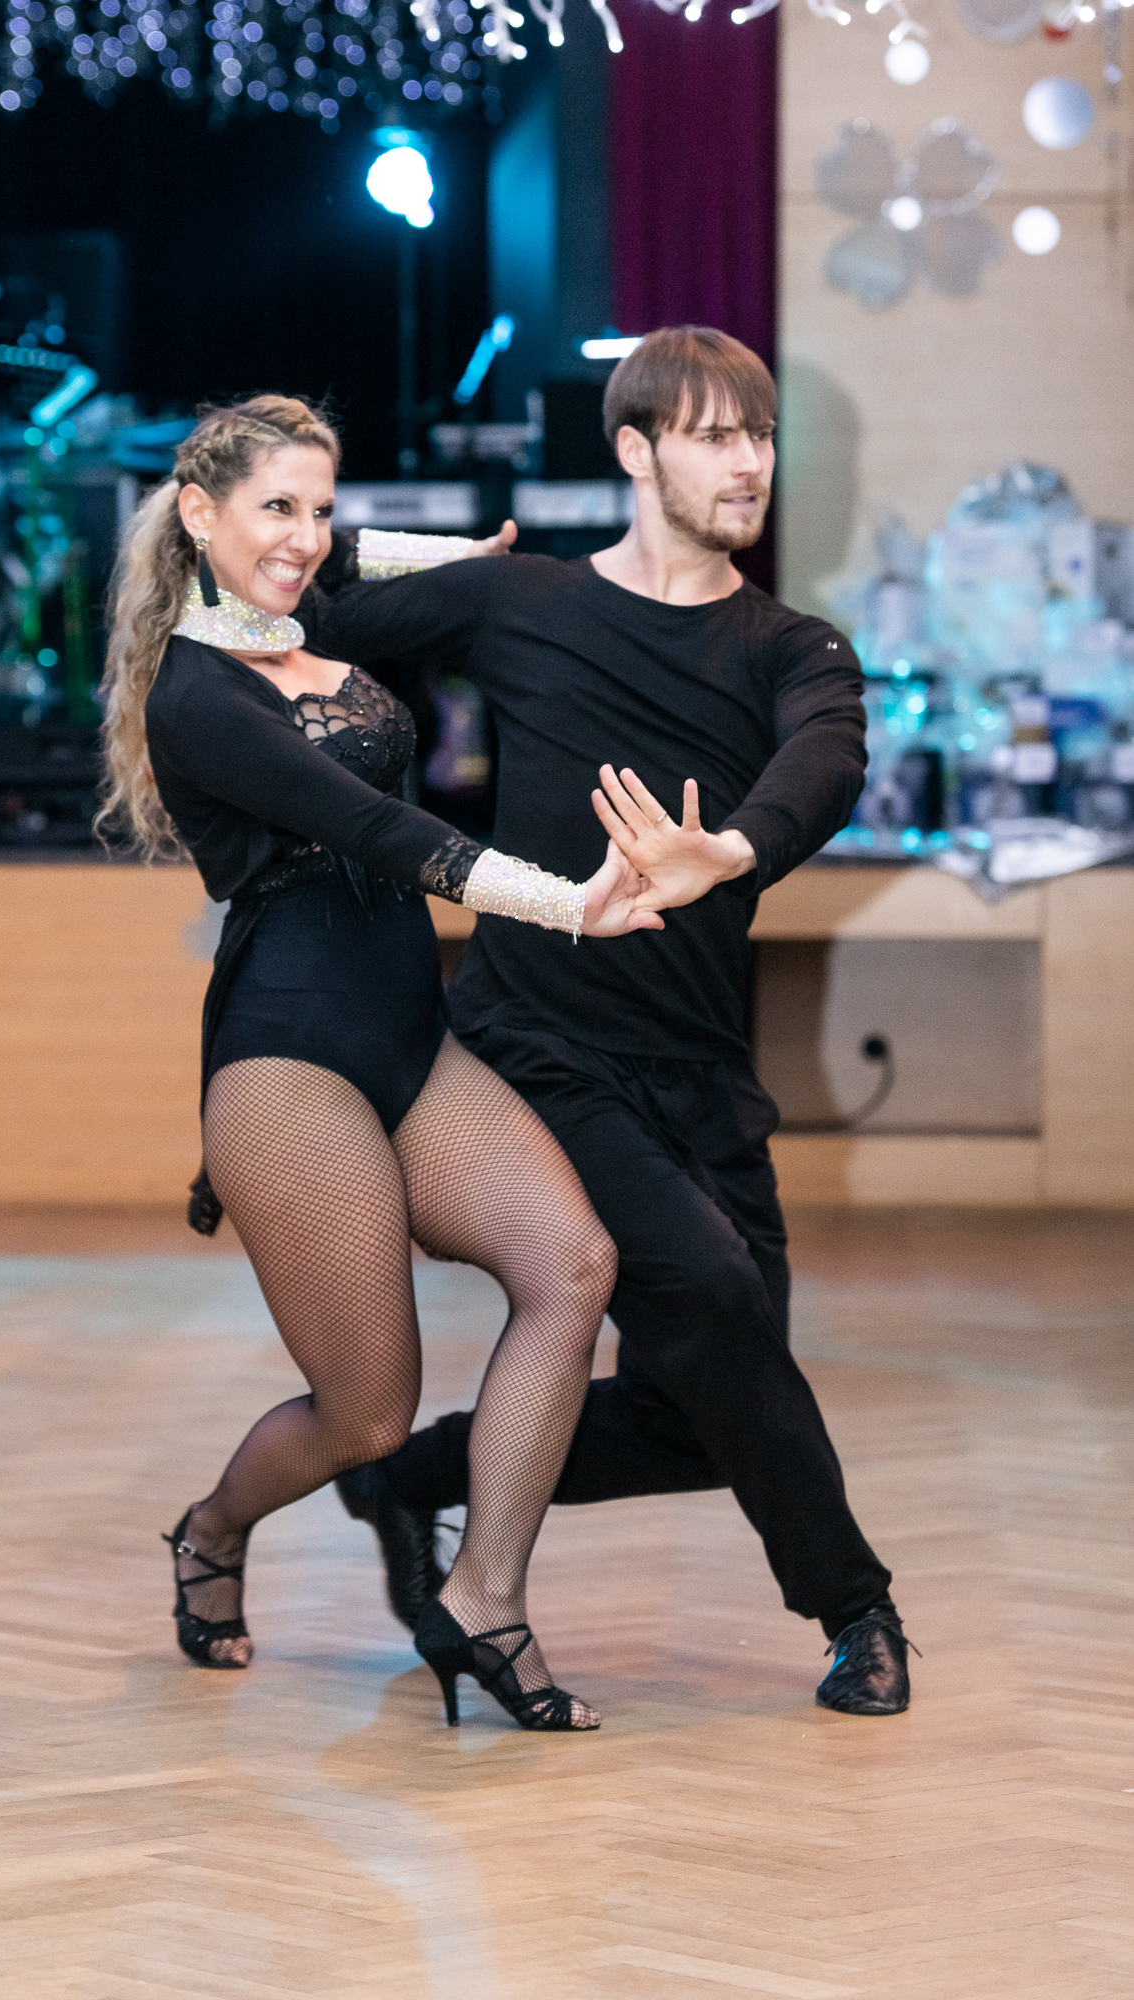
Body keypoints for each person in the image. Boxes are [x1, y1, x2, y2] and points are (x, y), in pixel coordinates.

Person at [317, 327, 915, 1718]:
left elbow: (828, 757)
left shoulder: (794, 646)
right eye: (715, 435)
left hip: (701, 1072)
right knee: (711, 1296)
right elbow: (297, 596)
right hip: (540, 1050)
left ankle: (409, 1477)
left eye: (760, 436)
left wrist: (733, 850)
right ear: (635, 451)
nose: (749, 463)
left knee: (700, 1411)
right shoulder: (520, 600)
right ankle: (859, 1610)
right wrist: (424, 552)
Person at [96, 394, 705, 1733]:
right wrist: (570, 903)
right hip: (288, 1058)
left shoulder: (300, 604)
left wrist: (469, 554)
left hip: (408, 1038)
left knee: (572, 1266)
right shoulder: (196, 695)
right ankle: (213, 1528)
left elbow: (352, 553)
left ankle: (484, 1598)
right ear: (198, 515)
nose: (305, 536)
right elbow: (379, 831)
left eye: (320, 507)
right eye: (276, 509)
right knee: (368, 1418)